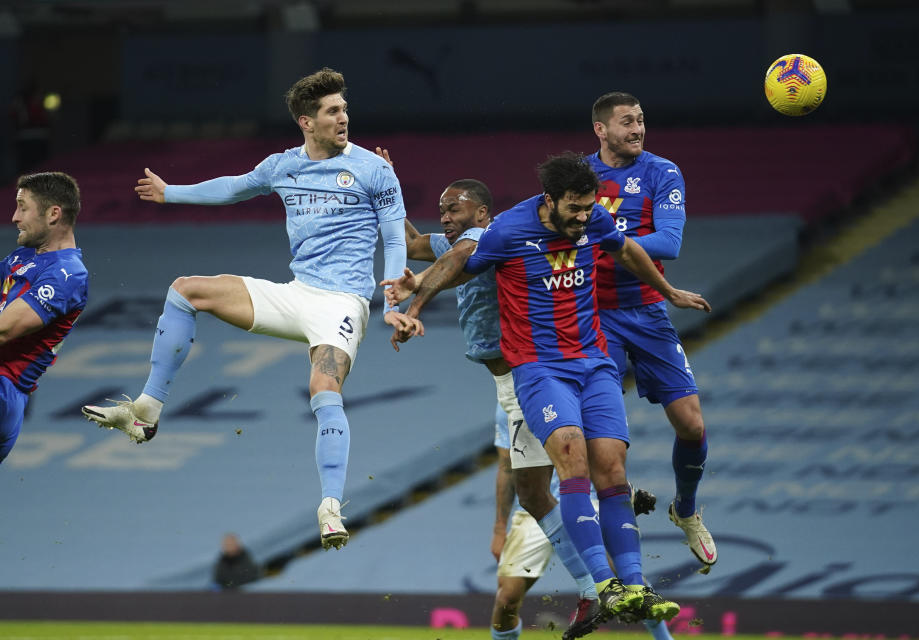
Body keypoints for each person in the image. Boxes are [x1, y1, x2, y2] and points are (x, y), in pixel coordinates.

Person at [80, 68, 421, 550]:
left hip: (341, 302)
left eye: (344, 108)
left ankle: (330, 506)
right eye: (332, 111)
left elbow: (391, 233)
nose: (344, 117)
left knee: (323, 386)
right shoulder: (283, 165)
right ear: (307, 121)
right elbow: (233, 186)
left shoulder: (373, 168)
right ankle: (146, 410)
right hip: (296, 292)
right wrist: (170, 192)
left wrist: (391, 289)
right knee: (186, 290)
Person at [383, 152, 710, 622]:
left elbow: (626, 249)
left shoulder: (594, 218)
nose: (584, 218)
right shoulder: (509, 230)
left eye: (588, 208)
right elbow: (457, 258)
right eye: (574, 209)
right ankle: (602, 585)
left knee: (613, 470)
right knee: (570, 459)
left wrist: (668, 291)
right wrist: (414, 309)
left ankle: (636, 588)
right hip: (540, 369)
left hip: (594, 362)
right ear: (550, 200)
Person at [376, 155, 602, 639]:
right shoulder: (460, 239)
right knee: (533, 493)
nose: (445, 216)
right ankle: (595, 584)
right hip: (509, 384)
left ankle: (600, 580)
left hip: (530, 376)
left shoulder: (489, 236)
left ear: (481, 213)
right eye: (441, 208)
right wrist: (387, 187)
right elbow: (417, 245)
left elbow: (452, 263)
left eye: (454, 208)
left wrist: (416, 303)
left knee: (546, 487)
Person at [587, 92, 716, 572]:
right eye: (626, 122)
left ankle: (684, 509)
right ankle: (615, 505)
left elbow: (669, 242)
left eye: (641, 119)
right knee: (603, 434)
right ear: (601, 129)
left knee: (692, 424)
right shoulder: (579, 177)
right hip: (594, 314)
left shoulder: (663, 172)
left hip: (646, 311)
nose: (638, 128)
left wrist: (601, 240)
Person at [491, 405, 676, 640]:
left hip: (583, 500)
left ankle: (663, 637)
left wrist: (624, 492)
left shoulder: (576, 386)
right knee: (507, 598)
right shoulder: (510, 400)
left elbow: (606, 454)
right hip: (533, 510)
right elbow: (507, 467)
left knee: (622, 579)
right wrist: (499, 528)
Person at [0, 172, 88, 463]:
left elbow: (3, 330)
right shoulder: (23, 257)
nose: (14, 217)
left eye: (23, 207)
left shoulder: (68, 274)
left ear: (53, 214)